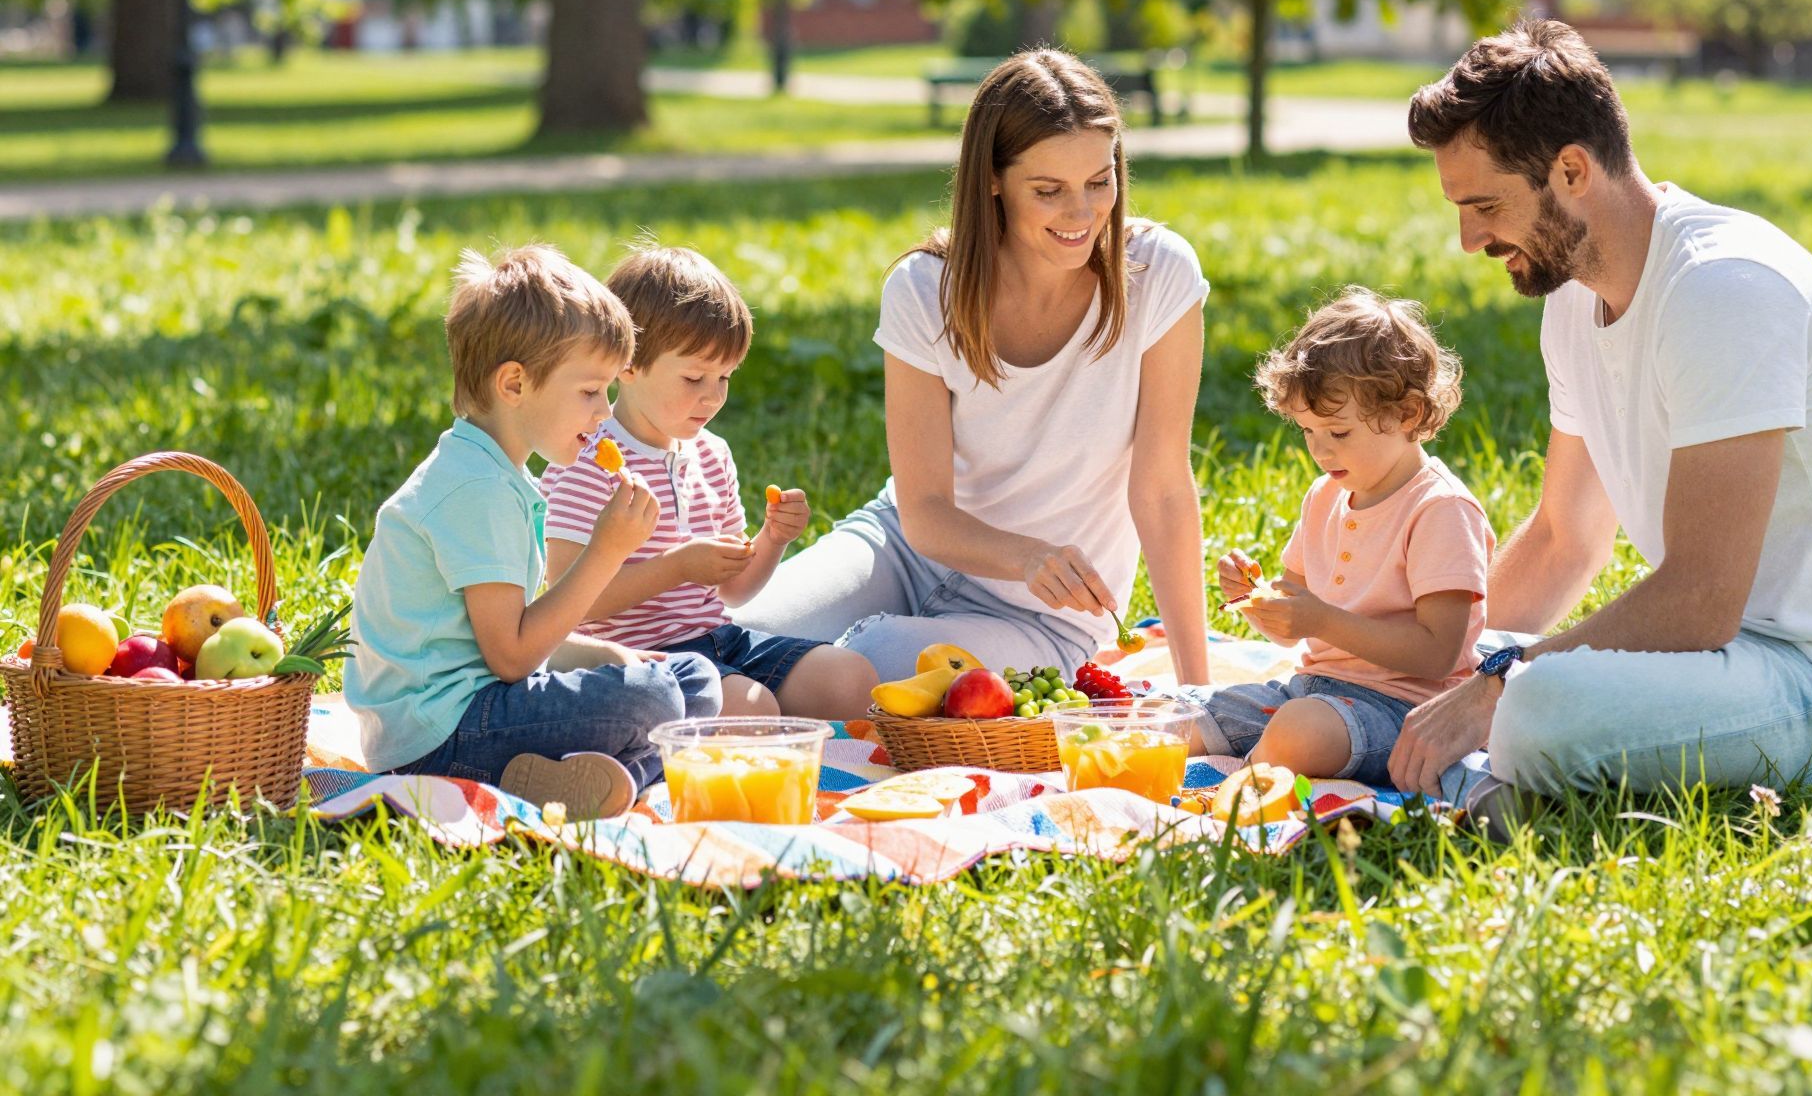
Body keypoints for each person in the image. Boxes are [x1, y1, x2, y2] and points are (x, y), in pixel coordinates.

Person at [1388, 19, 1812, 809]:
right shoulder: (1572, 299)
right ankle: (1467, 766)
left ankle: (1484, 778)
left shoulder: (1724, 288)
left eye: (1485, 205)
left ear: (1572, 170)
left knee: (1534, 704)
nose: (1469, 239)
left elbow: (1701, 599)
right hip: (1717, 665)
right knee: (1441, 669)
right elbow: (1563, 539)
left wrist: (1498, 684)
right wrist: (1438, 672)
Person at [735, 48, 1213, 685]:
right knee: (736, 635)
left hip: (1045, 618)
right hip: (904, 553)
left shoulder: (1159, 273)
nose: (1082, 214)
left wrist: (1198, 688)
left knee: (867, 661)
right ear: (992, 180)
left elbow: (1162, 491)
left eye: (1100, 182)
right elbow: (925, 510)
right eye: (1048, 191)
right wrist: (1027, 555)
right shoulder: (924, 288)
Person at [343, 245, 721, 820]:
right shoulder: (476, 490)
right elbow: (513, 657)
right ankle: (600, 773)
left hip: (483, 706)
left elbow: (524, 639)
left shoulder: (497, 474)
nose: (604, 412)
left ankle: (596, 780)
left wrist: (612, 656)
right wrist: (605, 553)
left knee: (693, 678)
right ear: (514, 384)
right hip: (437, 738)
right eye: (590, 391)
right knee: (656, 697)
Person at [541, 243, 876, 721]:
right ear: (627, 366)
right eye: (694, 377)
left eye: (724, 377)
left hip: (720, 640)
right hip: (635, 661)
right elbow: (568, 601)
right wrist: (676, 567)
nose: (713, 397)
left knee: (851, 681)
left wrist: (773, 538)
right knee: (751, 710)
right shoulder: (586, 459)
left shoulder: (711, 454)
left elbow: (733, 591)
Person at [1183, 287, 1492, 785]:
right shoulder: (1326, 495)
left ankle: (1240, 789)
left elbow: (1438, 655)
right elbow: (1294, 622)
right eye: (1308, 431)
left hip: (1403, 712)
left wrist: (1322, 620)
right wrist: (1255, 600)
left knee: (1299, 732)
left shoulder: (1440, 510)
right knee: (1181, 716)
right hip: (1310, 690)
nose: (1321, 451)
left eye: (1339, 433)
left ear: (1408, 414)